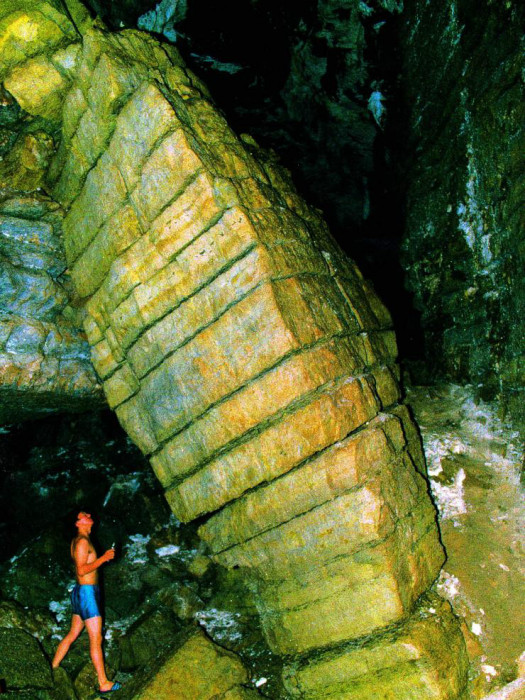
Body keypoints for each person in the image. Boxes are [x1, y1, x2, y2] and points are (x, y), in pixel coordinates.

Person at [52, 511, 121, 694]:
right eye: (84, 516)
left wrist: (102, 559)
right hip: (87, 594)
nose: (89, 516)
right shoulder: (82, 542)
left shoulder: (78, 540)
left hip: (82, 592)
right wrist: (104, 559)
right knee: (95, 639)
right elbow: (82, 570)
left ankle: (53, 667)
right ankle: (103, 683)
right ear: (79, 523)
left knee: (73, 633)